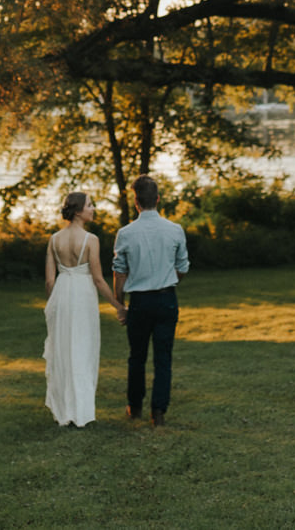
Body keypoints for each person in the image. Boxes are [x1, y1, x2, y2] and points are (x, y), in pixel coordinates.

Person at [110, 174, 189, 426]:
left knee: (137, 356)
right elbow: (183, 267)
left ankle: (134, 407)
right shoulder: (175, 230)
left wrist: (120, 305)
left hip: (140, 302)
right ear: (157, 199)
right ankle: (159, 412)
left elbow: (119, 272)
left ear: (136, 203)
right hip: (167, 300)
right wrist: (165, 278)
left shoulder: (125, 233)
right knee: (163, 357)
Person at [44, 191, 125, 427]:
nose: (93, 209)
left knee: (64, 350)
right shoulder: (91, 240)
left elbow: (50, 281)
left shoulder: (54, 239)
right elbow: (99, 280)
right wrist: (118, 306)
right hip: (82, 295)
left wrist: (53, 306)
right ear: (78, 210)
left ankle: (64, 411)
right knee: (83, 349)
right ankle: (81, 412)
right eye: (90, 205)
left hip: (61, 293)